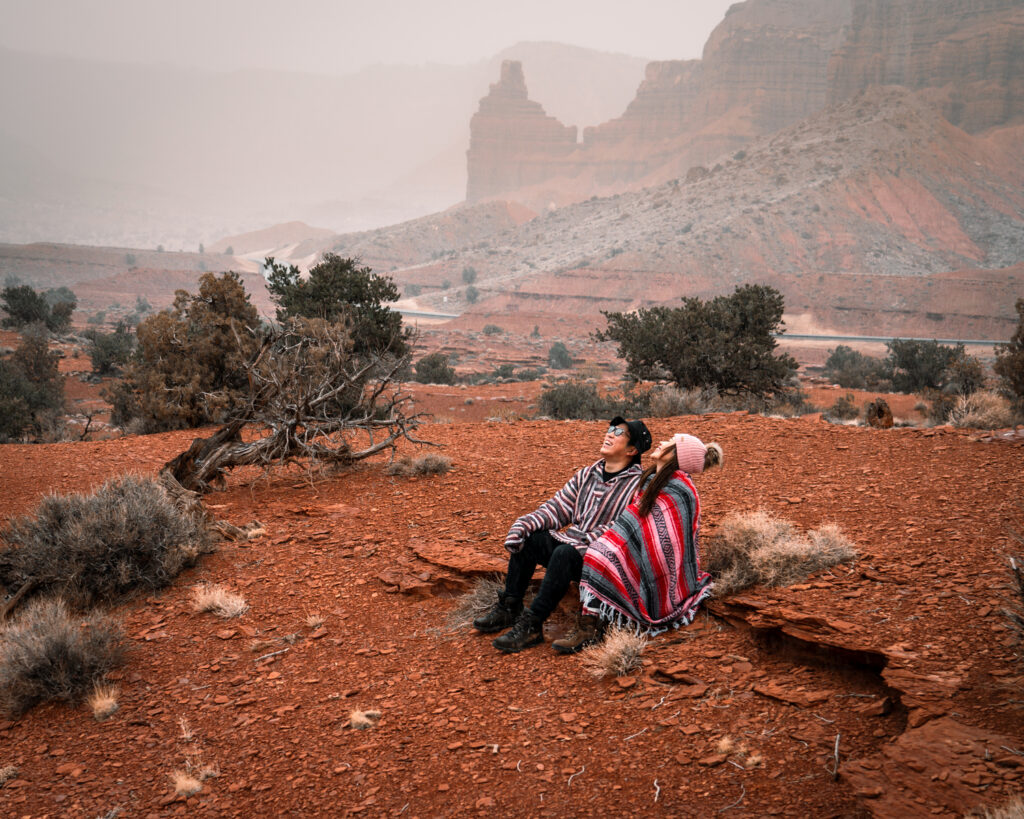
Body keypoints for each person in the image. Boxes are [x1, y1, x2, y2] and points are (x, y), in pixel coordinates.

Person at [473, 416, 653, 653]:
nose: (609, 434)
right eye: (610, 429)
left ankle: (533, 625)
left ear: (632, 450)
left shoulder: (640, 485)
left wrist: (577, 542)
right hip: (574, 547)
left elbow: (621, 529)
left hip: (602, 563)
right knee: (531, 538)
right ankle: (510, 607)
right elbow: (558, 507)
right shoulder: (587, 474)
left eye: (619, 433)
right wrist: (526, 523)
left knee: (564, 553)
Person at [564, 433, 722, 648]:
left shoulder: (681, 491)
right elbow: (634, 524)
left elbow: (668, 541)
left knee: (601, 554)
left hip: (663, 572)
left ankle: (593, 626)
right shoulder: (650, 481)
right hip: (643, 553)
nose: (662, 443)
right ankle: (595, 621)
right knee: (599, 551)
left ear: (677, 455)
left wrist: (616, 545)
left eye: (670, 443)